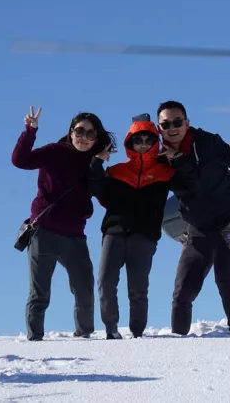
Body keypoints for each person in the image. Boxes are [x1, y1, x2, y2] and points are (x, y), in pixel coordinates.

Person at [11, 107, 116, 341]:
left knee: (85, 290)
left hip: (74, 236)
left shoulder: (93, 162)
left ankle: (84, 335)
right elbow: (20, 160)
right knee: (40, 293)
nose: (84, 138)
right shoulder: (53, 151)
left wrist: (97, 167)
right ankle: (35, 339)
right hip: (44, 232)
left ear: (97, 138)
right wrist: (30, 131)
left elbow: (105, 199)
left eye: (91, 134)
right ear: (70, 132)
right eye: (80, 131)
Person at [156, 100, 230, 336]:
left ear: (187, 123)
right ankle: (178, 337)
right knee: (182, 290)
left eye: (177, 122)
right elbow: (182, 184)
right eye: (165, 124)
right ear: (159, 128)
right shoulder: (160, 158)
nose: (172, 128)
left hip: (227, 219)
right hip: (198, 226)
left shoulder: (208, 142)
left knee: (224, 276)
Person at [88, 114, 187, 339]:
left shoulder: (165, 172)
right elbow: (97, 190)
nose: (143, 144)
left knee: (138, 288)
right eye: (138, 140)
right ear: (129, 143)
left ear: (155, 143)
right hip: (114, 231)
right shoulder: (116, 171)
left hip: (144, 235)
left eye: (148, 140)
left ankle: (137, 332)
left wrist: (177, 158)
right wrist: (97, 163)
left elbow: (189, 185)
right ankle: (111, 329)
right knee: (105, 281)